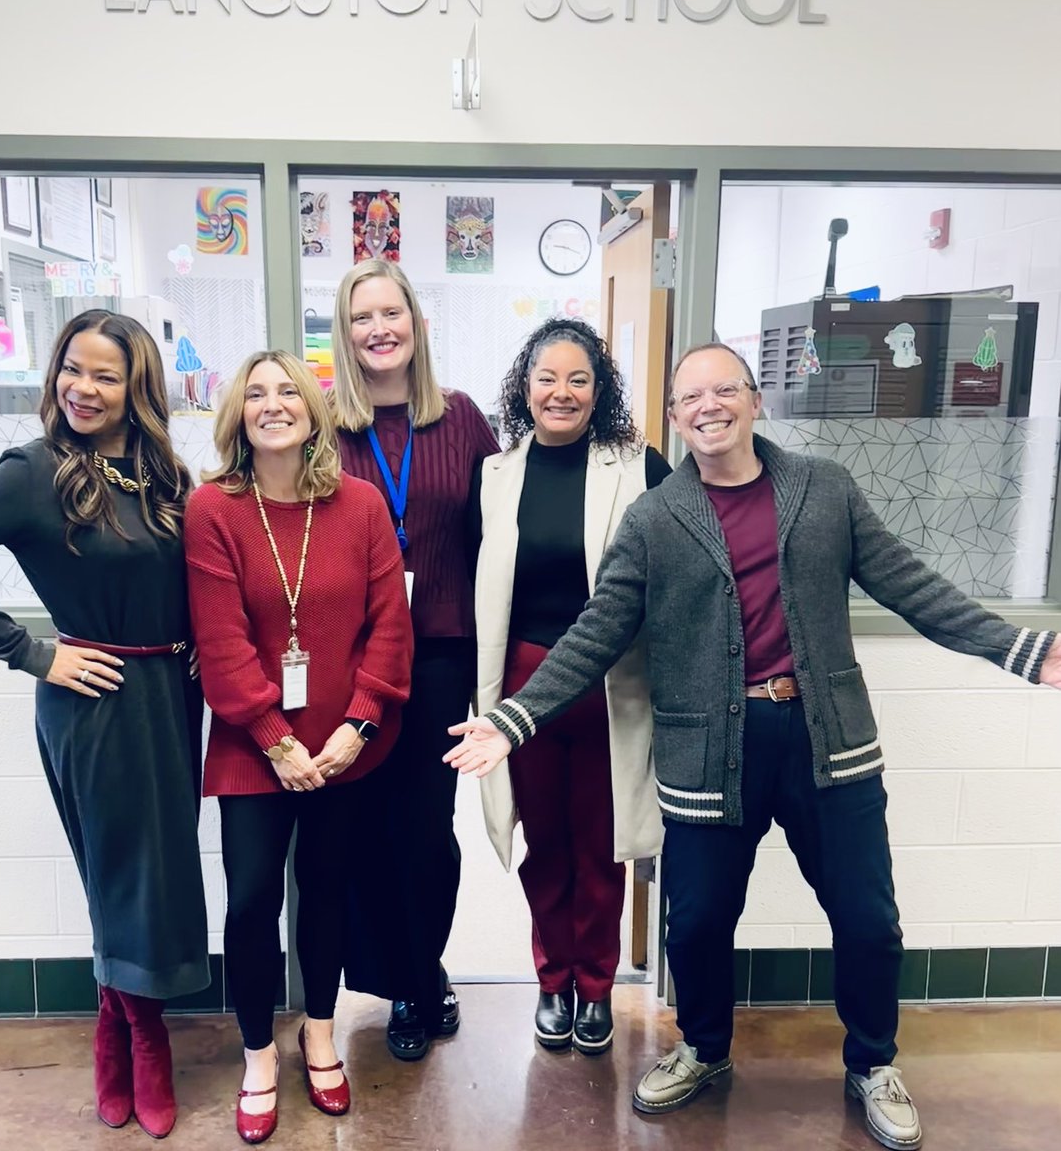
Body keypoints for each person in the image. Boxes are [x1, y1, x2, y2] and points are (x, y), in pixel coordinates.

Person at [447, 342, 1061, 1151]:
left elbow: (913, 587)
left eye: (723, 390)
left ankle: (873, 1062)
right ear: (673, 415)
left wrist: (1025, 651)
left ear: (754, 400)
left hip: (826, 745)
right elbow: (598, 630)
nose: (708, 406)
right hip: (710, 753)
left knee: (868, 921)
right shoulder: (657, 517)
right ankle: (704, 1049)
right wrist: (514, 718)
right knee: (695, 925)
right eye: (690, 397)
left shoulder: (823, 490)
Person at [0, 309, 209, 1139]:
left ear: (138, 390)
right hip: (94, 699)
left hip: (172, 693)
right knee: (123, 870)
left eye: (105, 375)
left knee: (155, 869)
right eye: (72, 369)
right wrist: (30, 652)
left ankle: (119, 1013)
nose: (83, 388)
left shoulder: (164, 471)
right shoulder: (35, 469)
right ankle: (137, 1035)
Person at [185, 350, 412, 1144]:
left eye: (289, 391)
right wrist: (278, 740)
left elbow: (391, 626)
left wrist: (358, 725)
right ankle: (257, 1054)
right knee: (251, 901)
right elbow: (220, 644)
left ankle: (320, 1031)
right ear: (238, 415)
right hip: (255, 747)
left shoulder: (361, 505)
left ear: (316, 413)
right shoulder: (212, 509)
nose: (273, 404)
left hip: (347, 746)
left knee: (326, 891)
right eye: (256, 393)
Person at [471, 317, 669, 1054]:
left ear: (599, 389)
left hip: (607, 684)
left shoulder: (636, 466)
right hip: (523, 685)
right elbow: (475, 581)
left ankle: (596, 988)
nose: (561, 392)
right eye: (547, 378)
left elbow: (677, 564)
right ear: (526, 387)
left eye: (578, 379)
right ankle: (552, 981)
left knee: (601, 843)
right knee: (544, 842)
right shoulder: (496, 474)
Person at [331, 259, 499, 1060]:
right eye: (362, 317)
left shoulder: (460, 420)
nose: (379, 329)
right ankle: (400, 981)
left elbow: (502, 530)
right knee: (368, 826)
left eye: (391, 312)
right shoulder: (328, 424)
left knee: (429, 828)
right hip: (350, 659)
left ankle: (423, 971)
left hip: (439, 654)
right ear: (346, 331)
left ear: (416, 323)